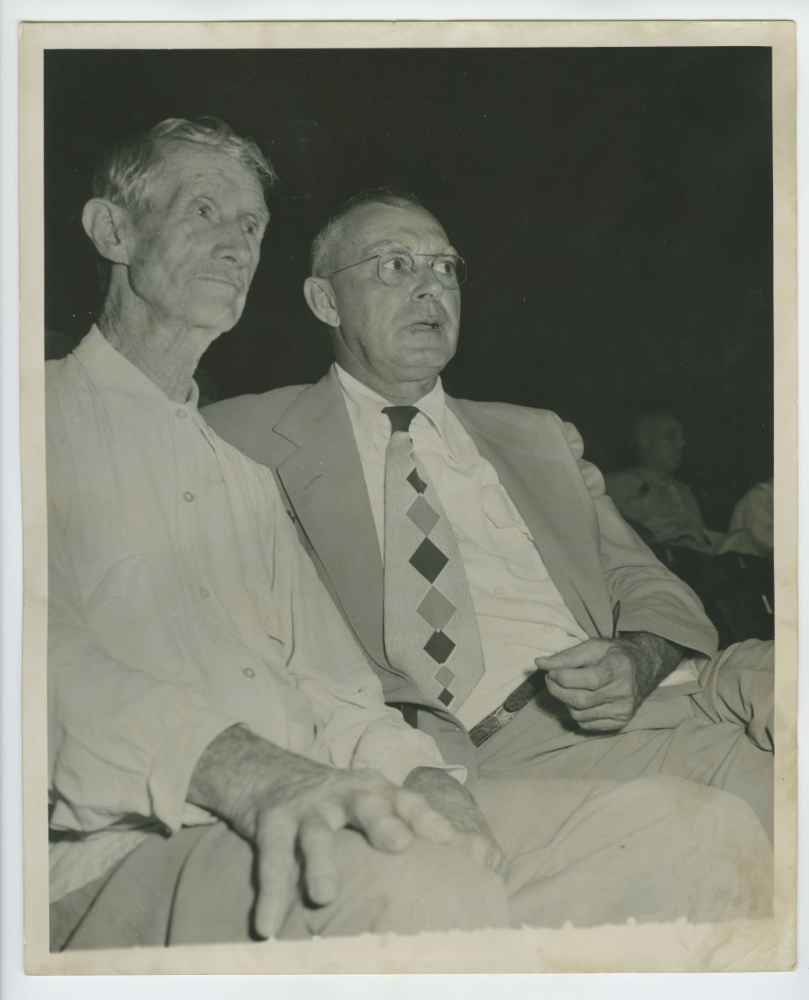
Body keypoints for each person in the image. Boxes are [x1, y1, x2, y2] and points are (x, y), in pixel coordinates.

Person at [48, 125, 774, 950]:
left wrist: (418, 776)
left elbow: (331, 682)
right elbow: (40, 658)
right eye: (204, 210)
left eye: (251, 225)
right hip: (153, 823)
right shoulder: (221, 438)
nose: (235, 244)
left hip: (650, 699)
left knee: (704, 834)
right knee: (429, 876)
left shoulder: (246, 475)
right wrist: (276, 770)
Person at [203, 188, 774, 838]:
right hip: (517, 744)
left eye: (445, 267)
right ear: (325, 300)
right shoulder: (239, 438)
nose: (431, 288)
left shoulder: (535, 435)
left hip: (696, 685)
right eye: (395, 264)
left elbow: (647, 584)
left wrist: (637, 658)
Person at [605, 411, 722, 553]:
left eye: (681, 437)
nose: (682, 443)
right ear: (645, 440)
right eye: (670, 436)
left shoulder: (685, 493)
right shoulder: (617, 484)